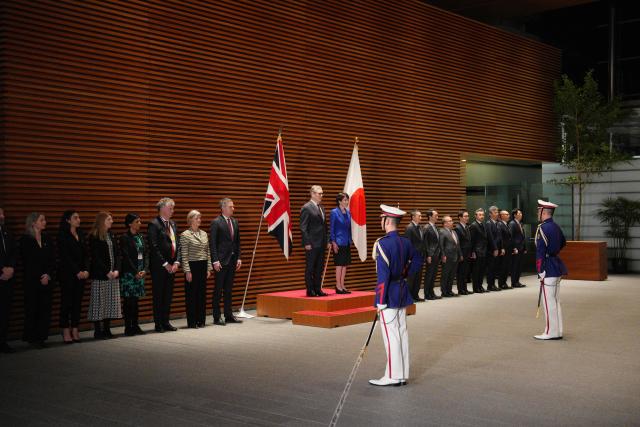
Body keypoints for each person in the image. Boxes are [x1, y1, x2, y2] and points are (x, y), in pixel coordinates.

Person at [369, 204, 423, 387]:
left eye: (382, 219)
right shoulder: (405, 242)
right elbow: (417, 260)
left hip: (389, 295)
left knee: (391, 337)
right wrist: (405, 273)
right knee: (401, 333)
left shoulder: (383, 244)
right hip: (401, 291)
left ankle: (392, 376)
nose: (381, 222)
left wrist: (380, 300)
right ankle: (401, 374)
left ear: (387, 221)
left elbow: (383, 276)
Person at [534, 199, 568, 340]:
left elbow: (540, 251)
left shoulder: (542, 228)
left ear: (543, 212)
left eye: (539, 210)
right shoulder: (556, 227)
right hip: (556, 264)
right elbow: (563, 243)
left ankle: (550, 332)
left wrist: (540, 270)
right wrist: (553, 252)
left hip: (547, 267)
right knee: (555, 300)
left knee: (549, 302)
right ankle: (558, 330)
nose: (537, 213)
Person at [21, 212, 55, 348]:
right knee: (32, 308)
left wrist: (47, 274)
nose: (44, 222)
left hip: (47, 279)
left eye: (45, 220)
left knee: (45, 309)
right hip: (32, 280)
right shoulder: (25, 239)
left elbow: (52, 259)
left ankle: (41, 337)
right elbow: (27, 261)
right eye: (42, 220)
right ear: (33, 222)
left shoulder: (47, 238)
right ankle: (32, 337)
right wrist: (39, 276)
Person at [148, 197, 181, 332]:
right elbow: (153, 246)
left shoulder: (173, 224)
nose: (172, 211)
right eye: (170, 208)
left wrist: (177, 262)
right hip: (160, 267)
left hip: (172, 266)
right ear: (162, 209)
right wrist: (165, 263)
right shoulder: (154, 224)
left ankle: (166, 321)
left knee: (168, 295)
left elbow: (177, 245)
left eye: (173, 208)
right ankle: (158, 324)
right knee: (159, 295)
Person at [88, 211, 122, 339]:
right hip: (101, 275)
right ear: (102, 221)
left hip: (113, 275)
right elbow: (96, 257)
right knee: (99, 303)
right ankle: (98, 331)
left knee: (109, 302)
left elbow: (118, 254)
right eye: (109, 219)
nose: (111, 221)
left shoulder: (111, 235)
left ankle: (107, 330)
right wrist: (106, 271)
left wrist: (117, 270)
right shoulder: (94, 236)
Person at [57, 210, 89, 344]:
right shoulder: (62, 235)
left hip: (81, 274)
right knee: (66, 303)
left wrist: (86, 270)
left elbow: (86, 254)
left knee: (77, 303)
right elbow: (65, 256)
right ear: (68, 220)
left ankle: (75, 328)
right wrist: (77, 271)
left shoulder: (81, 234)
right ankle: (65, 329)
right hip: (68, 274)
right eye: (75, 218)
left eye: (79, 217)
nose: (78, 219)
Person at [210, 198, 242, 325]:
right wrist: (215, 260)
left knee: (228, 289)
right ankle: (217, 317)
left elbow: (237, 242)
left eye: (233, 206)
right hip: (221, 261)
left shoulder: (235, 221)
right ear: (223, 208)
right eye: (230, 207)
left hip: (232, 260)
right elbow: (212, 243)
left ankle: (229, 315)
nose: (233, 209)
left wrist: (239, 257)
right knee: (218, 290)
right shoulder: (216, 222)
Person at [181, 210, 212, 328]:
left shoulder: (204, 233)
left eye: (200, 218)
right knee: (191, 295)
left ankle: (201, 320)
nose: (200, 220)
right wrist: (187, 271)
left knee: (201, 294)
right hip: (192, 266)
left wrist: (208, 268)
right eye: (197, 218)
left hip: (203, 265)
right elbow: (184, 254)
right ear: (190, 220)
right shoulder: (185, 235)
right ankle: (192, 321)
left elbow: (207, 252)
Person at [120, 213, 148, 336]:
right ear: (130, 223)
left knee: (136, 301)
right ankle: (128, 327)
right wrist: (134, 272)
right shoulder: (125, 237)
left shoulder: (141, 237)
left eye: (140, 221)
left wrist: (145, 270)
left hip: (140, 273)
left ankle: (135, 325)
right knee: (128, 302)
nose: (139, 223)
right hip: (129, 274)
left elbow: (146, 254)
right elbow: (125, 257)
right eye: (137, 221)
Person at [300, 185, 330, 297]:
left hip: (321, 243)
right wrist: (306, 243)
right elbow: (303, 227)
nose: (321, 195)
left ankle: (318, 289)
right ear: (312, 194)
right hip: (311, 244)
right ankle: (310, 290)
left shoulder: (321, 208)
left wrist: (327, 240)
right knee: (310, 267)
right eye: (319, 193)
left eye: (322, 193)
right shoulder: (306, 207)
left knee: (319, 267)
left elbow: (325, 226)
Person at [0, 207, 17, 353]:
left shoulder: (6, 232)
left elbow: (13, 252)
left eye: (2, 213)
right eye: (0, 213)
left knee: (5, 311)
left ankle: (3, 341)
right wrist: (2, 269)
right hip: (1, 274)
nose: (2, 216)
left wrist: (10, 267)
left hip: (8, 277)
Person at [330, 193, 352, 294]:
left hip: (346, 242)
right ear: (339, 201)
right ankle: (338, 285)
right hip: (338, 242)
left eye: (347, 200)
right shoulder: (334, 212)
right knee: (339, 265)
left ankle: (342, 285)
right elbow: (332, 229)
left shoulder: (348, 213)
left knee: (345, 265)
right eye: (344, 200)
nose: (346, 202)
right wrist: (333, 242)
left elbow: (349, 228)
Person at [439, 215, 462, 297]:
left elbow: (458, 244)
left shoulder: (454, 232)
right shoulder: (442, 231)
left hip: (455, 256)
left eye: (451, 220)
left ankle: (449, 290)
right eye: (450, 221)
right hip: (447, 257)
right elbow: (441, 245)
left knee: (452, 275)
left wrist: (460, 255)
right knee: (445, 275)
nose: (452, 222)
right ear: (445, 223)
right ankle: (444, 291)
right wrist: (443, 256)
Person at [404, 209, 424, 301]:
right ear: (413, 217)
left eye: (421, 216)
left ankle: (415, 295)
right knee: (411, 278)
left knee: (418, 278)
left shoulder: (420, 227)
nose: (421, 217)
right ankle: (409, 297)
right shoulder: (409, 228)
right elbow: (408, 243)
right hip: (413, 257)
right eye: (419, 216)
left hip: (420, 256)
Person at [422, 209, 442, 300]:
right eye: (436, 215)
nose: (437, 217)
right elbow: (425, 243)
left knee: (433, 274)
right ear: (430, 216)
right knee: (429, 274)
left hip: (437, 254)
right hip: (431, 254)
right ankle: (427, 294)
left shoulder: (436, 227)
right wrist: (428, 255)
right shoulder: (426, 227)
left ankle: (431, 292)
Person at [469, 208, 488, 293]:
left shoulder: (483, 225)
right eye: (480, 215)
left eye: (483, 215)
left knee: (481, 270)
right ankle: (476, 287)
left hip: (483, 250)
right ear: (475, 216)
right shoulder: (473, 225)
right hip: (477, 251)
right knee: (476, 271)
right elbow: (472, 240)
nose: (482, 216)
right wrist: (473, 252)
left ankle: (480, 286)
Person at [454, 210, 472, 295]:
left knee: (465, 272)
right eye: (465, 216)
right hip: (462, 253)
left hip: (467, 252)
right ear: (460, 217)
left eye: (467, 216)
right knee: (461, 272)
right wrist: (460, 254)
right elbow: (458, 243)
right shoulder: (458, 228)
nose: (467, 218)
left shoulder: (467, 227)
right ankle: (460, 289)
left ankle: (464, 288)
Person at [485, 206, 502, 292]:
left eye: (497, 212)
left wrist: (501, 248)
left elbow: (500, 237)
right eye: (495, 212)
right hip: (491, 249)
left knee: (495, 267)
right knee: (491, 268)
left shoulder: (498, 223)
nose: (497, 214)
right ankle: (490, 285)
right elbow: (490, 237)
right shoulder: (488, 223)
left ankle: (493, 284)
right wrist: (495, 248)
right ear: (490, 214)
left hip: (498, 248)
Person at [509, 208, 527, 288]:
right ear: (515, 215)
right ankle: (514, 282)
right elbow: (511, 237)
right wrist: (514, 248)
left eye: (521, 213)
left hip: (521, 248)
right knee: (515, 266)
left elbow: (523, 237)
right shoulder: (512, 223)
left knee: (519, 266)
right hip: (516, 248)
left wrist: (525, 248)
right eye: (519, 213)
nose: (521, 215)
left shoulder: (520, 224)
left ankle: (517, 281)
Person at [497, 210, 513, 290]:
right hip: (504, 249)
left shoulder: (506, 224)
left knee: (507, 266)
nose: (508, 216)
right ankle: (501, 283)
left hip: (509, 249)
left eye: (508, 214)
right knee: (503, 267)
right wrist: (502, 248)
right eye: (506, 214)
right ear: (501, 215)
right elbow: (500, 238)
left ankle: (504, 282)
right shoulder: (500, 224)